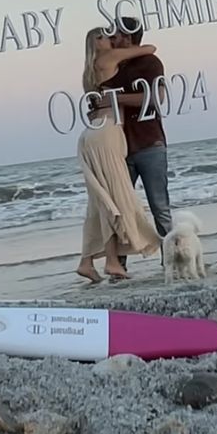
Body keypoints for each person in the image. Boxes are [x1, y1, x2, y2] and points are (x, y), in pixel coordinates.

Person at [76, 27, 160, 283]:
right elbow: (149, 49)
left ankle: (88, 261)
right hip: (107, 134)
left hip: (92, 134)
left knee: (101, 202)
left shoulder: (89, 69)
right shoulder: (107, 59)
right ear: (95, 44)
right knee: (116, 198)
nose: (111, 39)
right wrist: (124, 48)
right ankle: (112, 261)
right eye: (103, 36)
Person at [108, 17, 173, 265]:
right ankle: (119, 267)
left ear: (128, 37)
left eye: (116, 34)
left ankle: (171, 261)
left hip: (150, 144)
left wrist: (118, 99)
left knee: (160, 207)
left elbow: (156, 99)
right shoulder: (112, 67)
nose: (113, 39)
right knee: (120, 209)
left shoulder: (149, 63)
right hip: (120, 148)